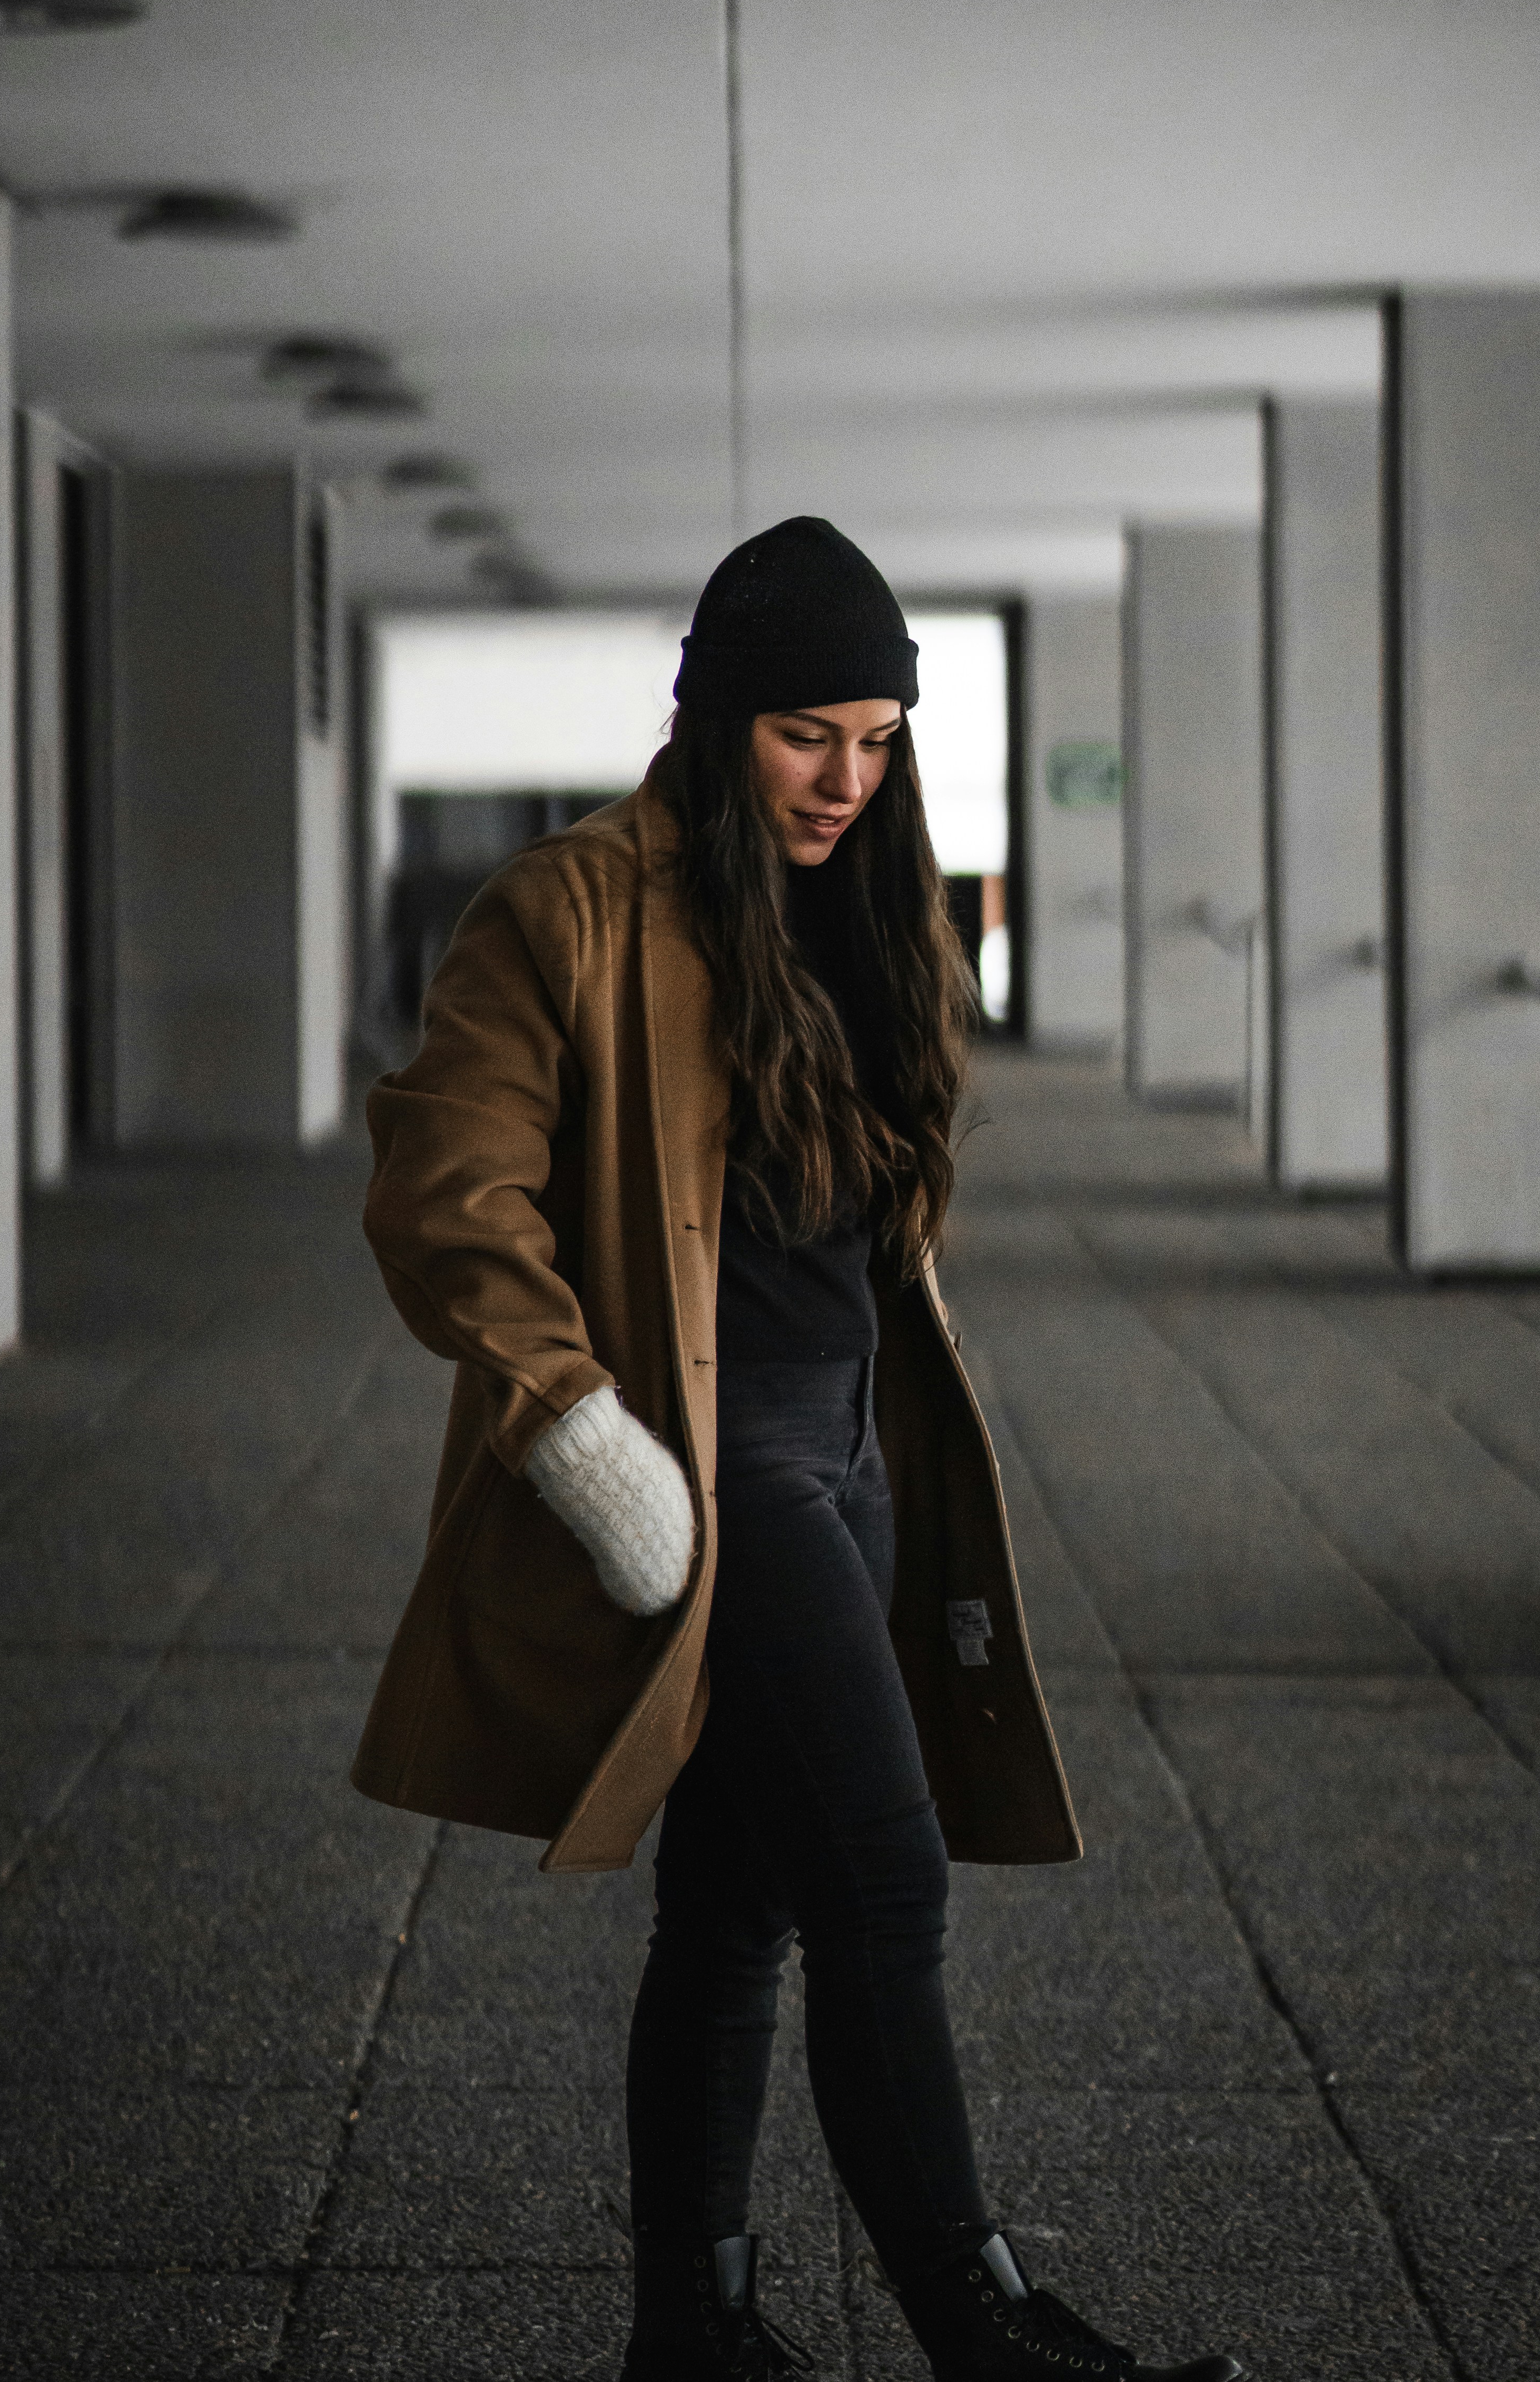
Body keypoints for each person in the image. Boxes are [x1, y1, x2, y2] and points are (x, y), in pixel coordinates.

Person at [355, 518, 1241, 2382]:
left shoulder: (873, 903)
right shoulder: (566, 910)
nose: (845, 779)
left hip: (846, 1448)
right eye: (805, 736)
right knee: (883, 1884)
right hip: (709, 1464)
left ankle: (692, 2332)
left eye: (878, 740)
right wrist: (581, 1437)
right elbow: (445, 1194)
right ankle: (982, 2329)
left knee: (737, 1907)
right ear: (714, 720)